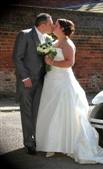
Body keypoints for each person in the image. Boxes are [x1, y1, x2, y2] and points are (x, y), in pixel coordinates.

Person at [35, 19, 103, 164]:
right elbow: (47, 55)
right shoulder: (53, 42)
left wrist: (52, 62)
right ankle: (52, 144)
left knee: (64, 112)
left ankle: (66, 144)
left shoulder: (68, 44)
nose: (54, 26)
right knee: (51, 110)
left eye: (57, 24)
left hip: (63, 81)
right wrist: (47, 57)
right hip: (51, 80)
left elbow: (69, 62)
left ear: (62, 29)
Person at [12, 13, 53, 155]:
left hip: (42, 81)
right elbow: (17, 58)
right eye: (50, 23)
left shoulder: (48, 38)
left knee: (38, 112)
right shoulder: (24, 35)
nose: (52, 26)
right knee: (27, 112)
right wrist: (24, 77)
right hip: (27, 82)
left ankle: (38, 139)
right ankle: (29, 142)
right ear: (42, 24)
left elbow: (47, 60)